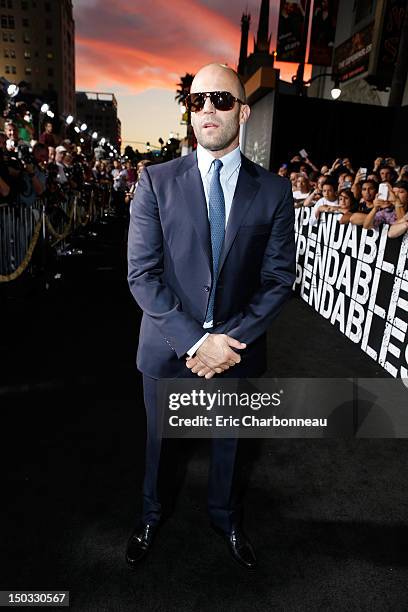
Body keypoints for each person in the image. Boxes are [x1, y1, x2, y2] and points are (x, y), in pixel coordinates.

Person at [126, 63, 295, 570]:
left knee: (230, 445)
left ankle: (226, 518)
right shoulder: (155, 182)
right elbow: (142, 274)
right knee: (158, 446)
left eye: (221, 100)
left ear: (242, 112)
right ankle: (151, 516)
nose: (206, 110)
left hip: (236, 351)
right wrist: (197, 343)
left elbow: (278, 280)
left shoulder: (274, 191)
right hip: (167, 345)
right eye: (197, 101)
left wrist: (229, 342)